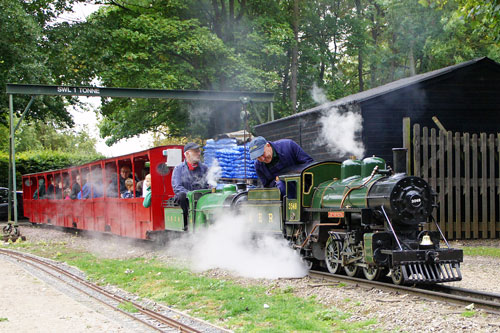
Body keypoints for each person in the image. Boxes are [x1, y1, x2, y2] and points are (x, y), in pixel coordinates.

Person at [248, 136, 314, 195]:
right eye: (258, 157)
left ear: (268, 145)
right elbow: (267, 187)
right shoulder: (258, 166)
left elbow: (309, 164)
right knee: (281, 185)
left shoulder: (289, 145)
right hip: (281, 194)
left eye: (262, 154)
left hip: (302, 186)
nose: (262, 158)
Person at [171, 142, 209, 230]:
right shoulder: (178, 169)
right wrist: (191, 194)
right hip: (187, 199)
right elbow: (177, 186)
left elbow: (208, 183)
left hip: (202, 196)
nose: (199, 153)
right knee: (181, 196)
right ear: (187, 154)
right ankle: (187, 224)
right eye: (195, 151)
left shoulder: (204, 168)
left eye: (199, 151)